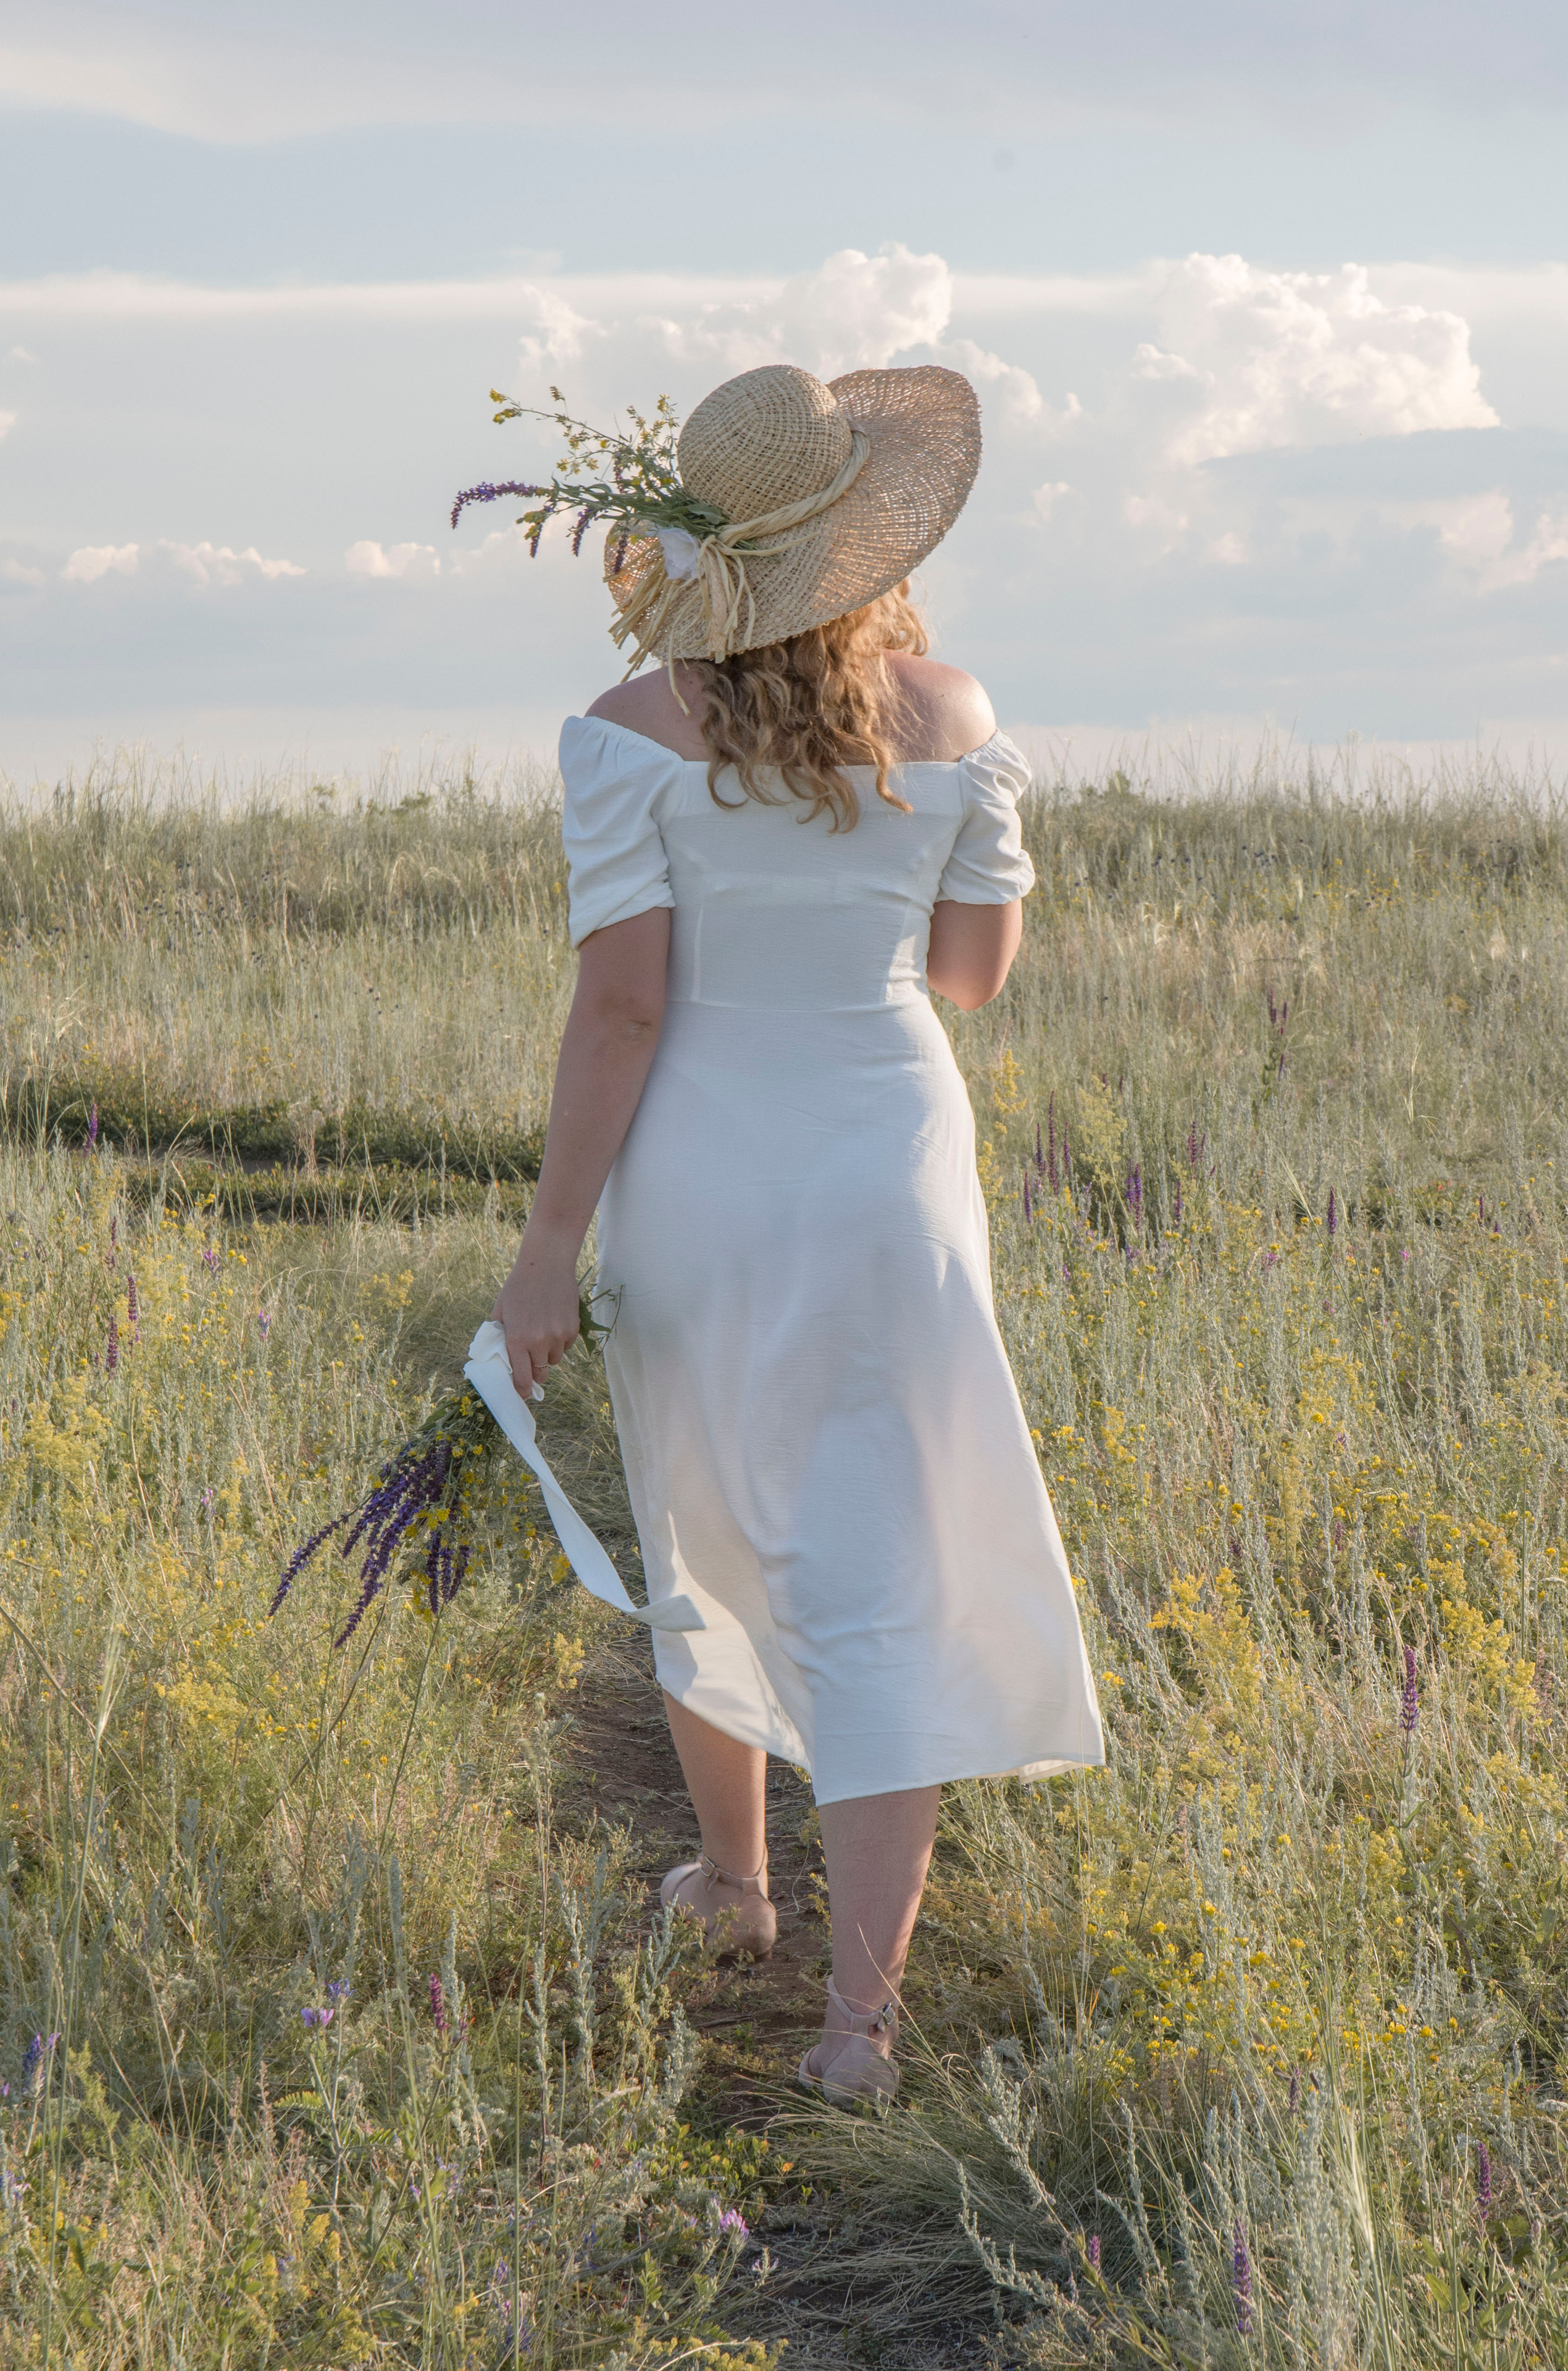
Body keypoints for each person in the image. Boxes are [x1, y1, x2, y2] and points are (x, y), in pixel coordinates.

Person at [491, 361, 1103, 2106]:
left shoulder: (621, 735)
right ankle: (860, 2026)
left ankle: (738, 1886)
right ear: (871, 538)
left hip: (704, 1170)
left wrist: (548, 1254)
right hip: (891, 1170)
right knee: (877, 1563)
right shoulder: (959, 712)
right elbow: (971, 983)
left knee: (703, 1516)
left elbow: (621, 1014)